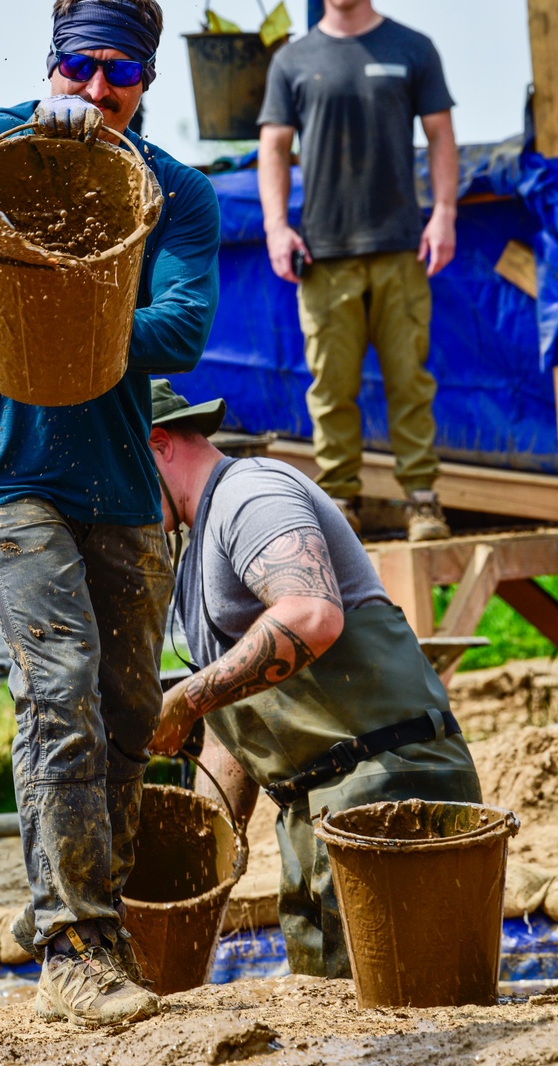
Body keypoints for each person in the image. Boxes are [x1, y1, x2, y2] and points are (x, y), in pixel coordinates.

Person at [0, 0, 220, 1026]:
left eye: (121, 72)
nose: (97, 88)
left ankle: (106, 920)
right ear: (51, 63)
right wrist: (32, 132)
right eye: (78, 67)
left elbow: (183, 328)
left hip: (112, 475)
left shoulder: (179, 194)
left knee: (129, 706)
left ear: (147, 79)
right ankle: (72, 944)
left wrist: (81, 315)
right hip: (0, 462)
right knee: (54, 676)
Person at [147, 378, 480, 977]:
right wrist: (206, 862)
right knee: (337, 1044)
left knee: (406, 1031)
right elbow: (231, 722)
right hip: (310, 818)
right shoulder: (196, 547)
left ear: (157, 444)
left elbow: (311, 615)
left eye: (116, 477)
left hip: (391, 791)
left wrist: (185, 698)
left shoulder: (250, 494)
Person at [257, 0, 459, 542]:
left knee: (410, 383)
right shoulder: (294, 61)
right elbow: (272, 147)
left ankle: (422, 500)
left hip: (401, 248)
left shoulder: (412, 47)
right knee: (332, 389)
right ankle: (340, 504)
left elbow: (442, 135)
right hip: (325, 253)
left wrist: (445, 212)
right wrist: (275, 227)